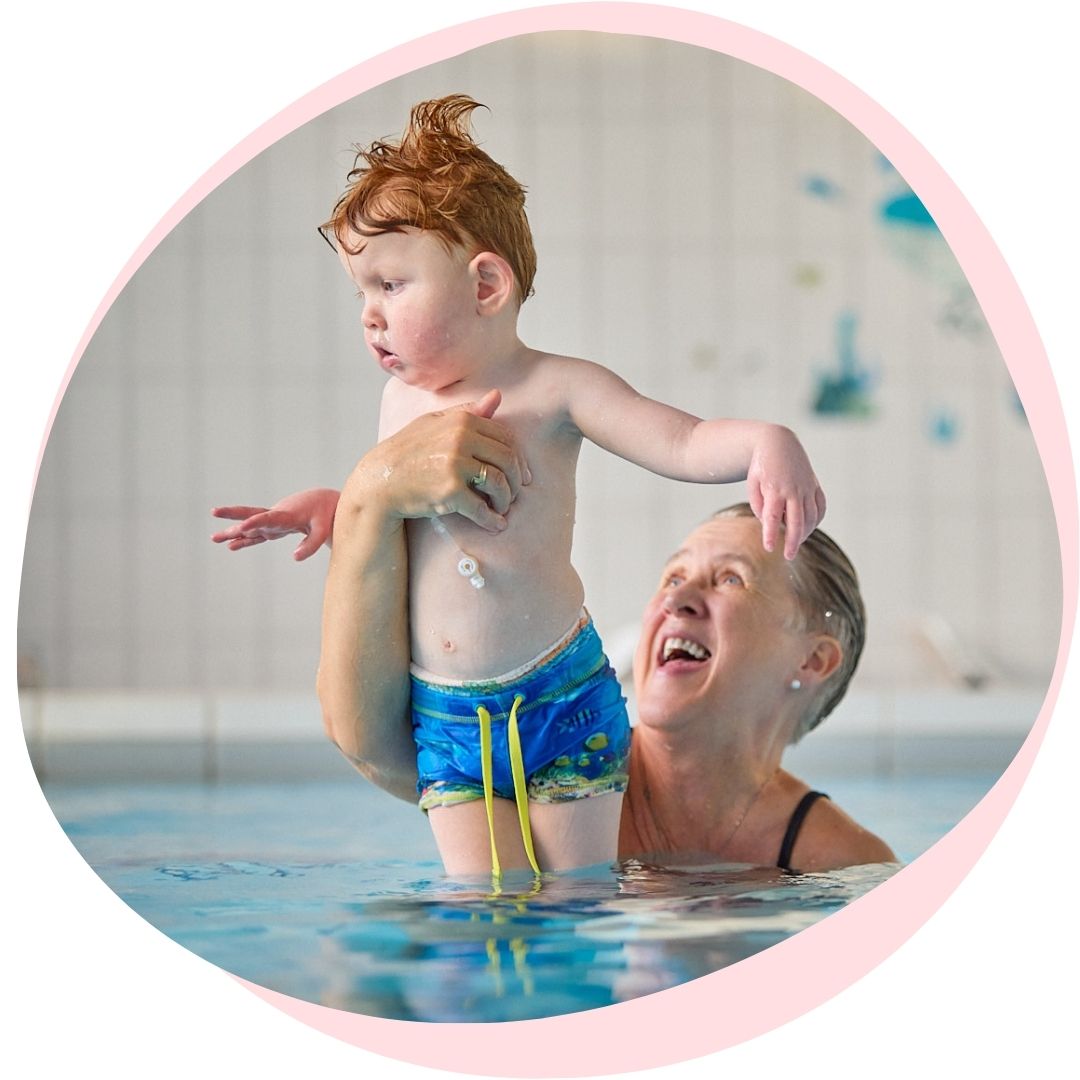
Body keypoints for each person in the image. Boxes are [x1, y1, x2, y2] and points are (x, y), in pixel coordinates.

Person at [216, 93, 828, 879]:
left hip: (560, 699)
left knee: (572, 902)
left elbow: (679, 440)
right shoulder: (400, 405)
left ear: (486, 285)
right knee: (486, 908)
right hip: (448, 715)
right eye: (361, 293)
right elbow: (418, 524)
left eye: (391, 286)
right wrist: (337, 507)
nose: (370, 316)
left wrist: (765, 442)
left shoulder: (557, 390)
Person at [213, 403, 895, 873]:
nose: (677, 598)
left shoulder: (841, 865)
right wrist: (367, 504)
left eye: (730, 581)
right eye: (674, 576)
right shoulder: (540, 760)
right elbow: (364, 738)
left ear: (813, 658)